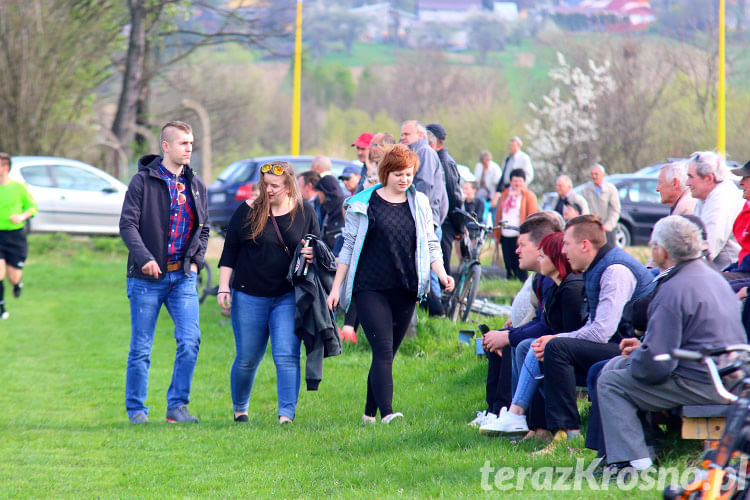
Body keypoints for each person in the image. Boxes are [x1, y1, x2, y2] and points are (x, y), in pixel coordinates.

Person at [597, 215, 746, 473]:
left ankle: (635, 464)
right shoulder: (712, 276)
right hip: (732, 374)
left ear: (661, 251)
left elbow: (656, 365)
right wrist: (639, 353)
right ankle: (629, 452)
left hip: (702, 381)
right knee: (614, 366)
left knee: (611, 382)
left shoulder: (672, 289)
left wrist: (638, 358)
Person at [327, 144, 454, 424]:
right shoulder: (363, 203)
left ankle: (368, 414)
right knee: (382, 349)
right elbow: (347, 248)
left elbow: (431, 243)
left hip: (406, 287)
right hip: (370, 287)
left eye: (408, 174)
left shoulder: (419, 202)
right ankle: (388, 414)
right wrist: (336, 287)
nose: (404, 179)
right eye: (398, 174)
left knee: (387, 355)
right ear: (386, 174)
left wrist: (442, 274)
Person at [532, 214, 654, 450]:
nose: (564, 252)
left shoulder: (615, 271)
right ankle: (544, 430)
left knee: (556, 347)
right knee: (549, 349)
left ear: (585, 245)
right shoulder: (597, 267)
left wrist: (557, 338)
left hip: (636, 349)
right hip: (619, 343)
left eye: (567, 244)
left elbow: (601, 332)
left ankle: (569, 434)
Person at [119, 121, 209, 424]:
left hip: (182, 277)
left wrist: (195, 262)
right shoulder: (141, 182)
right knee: (142, 348)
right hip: (146, 279)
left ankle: (177, 407)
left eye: (191, 143)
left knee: (190, 340)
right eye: (183, 143)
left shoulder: (196, 184)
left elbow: (204, 228)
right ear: (166, 146)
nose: (189, 149)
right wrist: (144, 258)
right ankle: (137, 411)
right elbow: (127, 225)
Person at [217, 161, 319, 424]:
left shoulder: (305, 211)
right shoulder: (247, 211)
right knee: (247, 358)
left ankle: (286, 415)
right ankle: (240, 409)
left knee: (286, 355)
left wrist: (311, 253)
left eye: (274, 186)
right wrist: (223, 287)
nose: (268, 190)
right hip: (249, 295)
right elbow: (229, 252)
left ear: (288, 187)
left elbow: (319, 247)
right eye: (265, 185)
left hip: (287, 296)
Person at [480, 232, 586, 439]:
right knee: (525, 345)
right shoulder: (554, 285)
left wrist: (510, 336)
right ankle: (530, 423)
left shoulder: (570, 288)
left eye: (543, 255)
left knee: (530, 346)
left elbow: (571, 333)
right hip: (559, 347)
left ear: (556, 258)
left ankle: (520, 416)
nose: (539, 259)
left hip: (572, 352)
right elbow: (543, 322)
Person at [469, 213, 563, 429]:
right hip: (547, 339)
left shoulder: (552, 278)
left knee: (518, 346)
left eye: (522, 245)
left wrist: (509, 337)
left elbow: (547, 325)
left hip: (559, 344)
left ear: (541, 247)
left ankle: (513, 413)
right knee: (505, 342)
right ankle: (496, 411)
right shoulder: (542, 276)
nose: (516, 250)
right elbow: (540, 318)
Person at [686, 151, 744, 270]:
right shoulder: (706, 197)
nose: (687, 183)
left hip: (728, 274)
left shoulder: (723, 200)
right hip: (717, 271)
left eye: (691, 177)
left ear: (708, 178)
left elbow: (707, 249)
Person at [0, 152, 37, 320]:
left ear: (5, 167)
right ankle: (1, 307)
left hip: (15, 237)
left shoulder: (19, 187)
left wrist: (21, 217)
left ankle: (17, 284)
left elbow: (32, 207)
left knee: (12, 276)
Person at [426, 123, 464, 277]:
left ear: (434, 142)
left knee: (440, 266)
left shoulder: (445, 164)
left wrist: (459, 227)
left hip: (445, 221)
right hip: (441, 220)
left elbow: (454, 196)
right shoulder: (435, 159)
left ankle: (443, 300)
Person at [400, 120, 448, 229]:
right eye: (402, 134)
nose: (402, 137)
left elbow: (424, 184)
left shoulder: (424, 152)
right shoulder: (411, 152)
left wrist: (410, 209)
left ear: (421, 135)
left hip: (423, 218)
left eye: (407, 134)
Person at [493, 169, 538, 282]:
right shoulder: (505, 194)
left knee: (520, 262)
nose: (517, 184)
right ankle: (510, 280)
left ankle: (522, 283)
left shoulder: (529, 196)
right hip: (505, 233)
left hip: (519, 234)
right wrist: (496, 234)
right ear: (511, 181)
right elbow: (498, 213)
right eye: (514, 181)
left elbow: (532, 216)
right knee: (508, 260)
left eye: (519, 181)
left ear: (524, 182)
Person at [581, 164, 621, 247]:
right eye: (592, 174)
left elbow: (615, 210)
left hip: (608, 229)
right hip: (591, 228)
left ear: (603, 175)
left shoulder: (611, 189)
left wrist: (608, 225)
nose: (594, 176)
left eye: (596, 174)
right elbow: (584, 208)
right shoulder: (586, 190)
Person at [314, 175, 345, 253]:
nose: (318, 195)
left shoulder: (343, 207)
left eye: (319, 192)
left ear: (326, 192)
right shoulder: (325, 207)